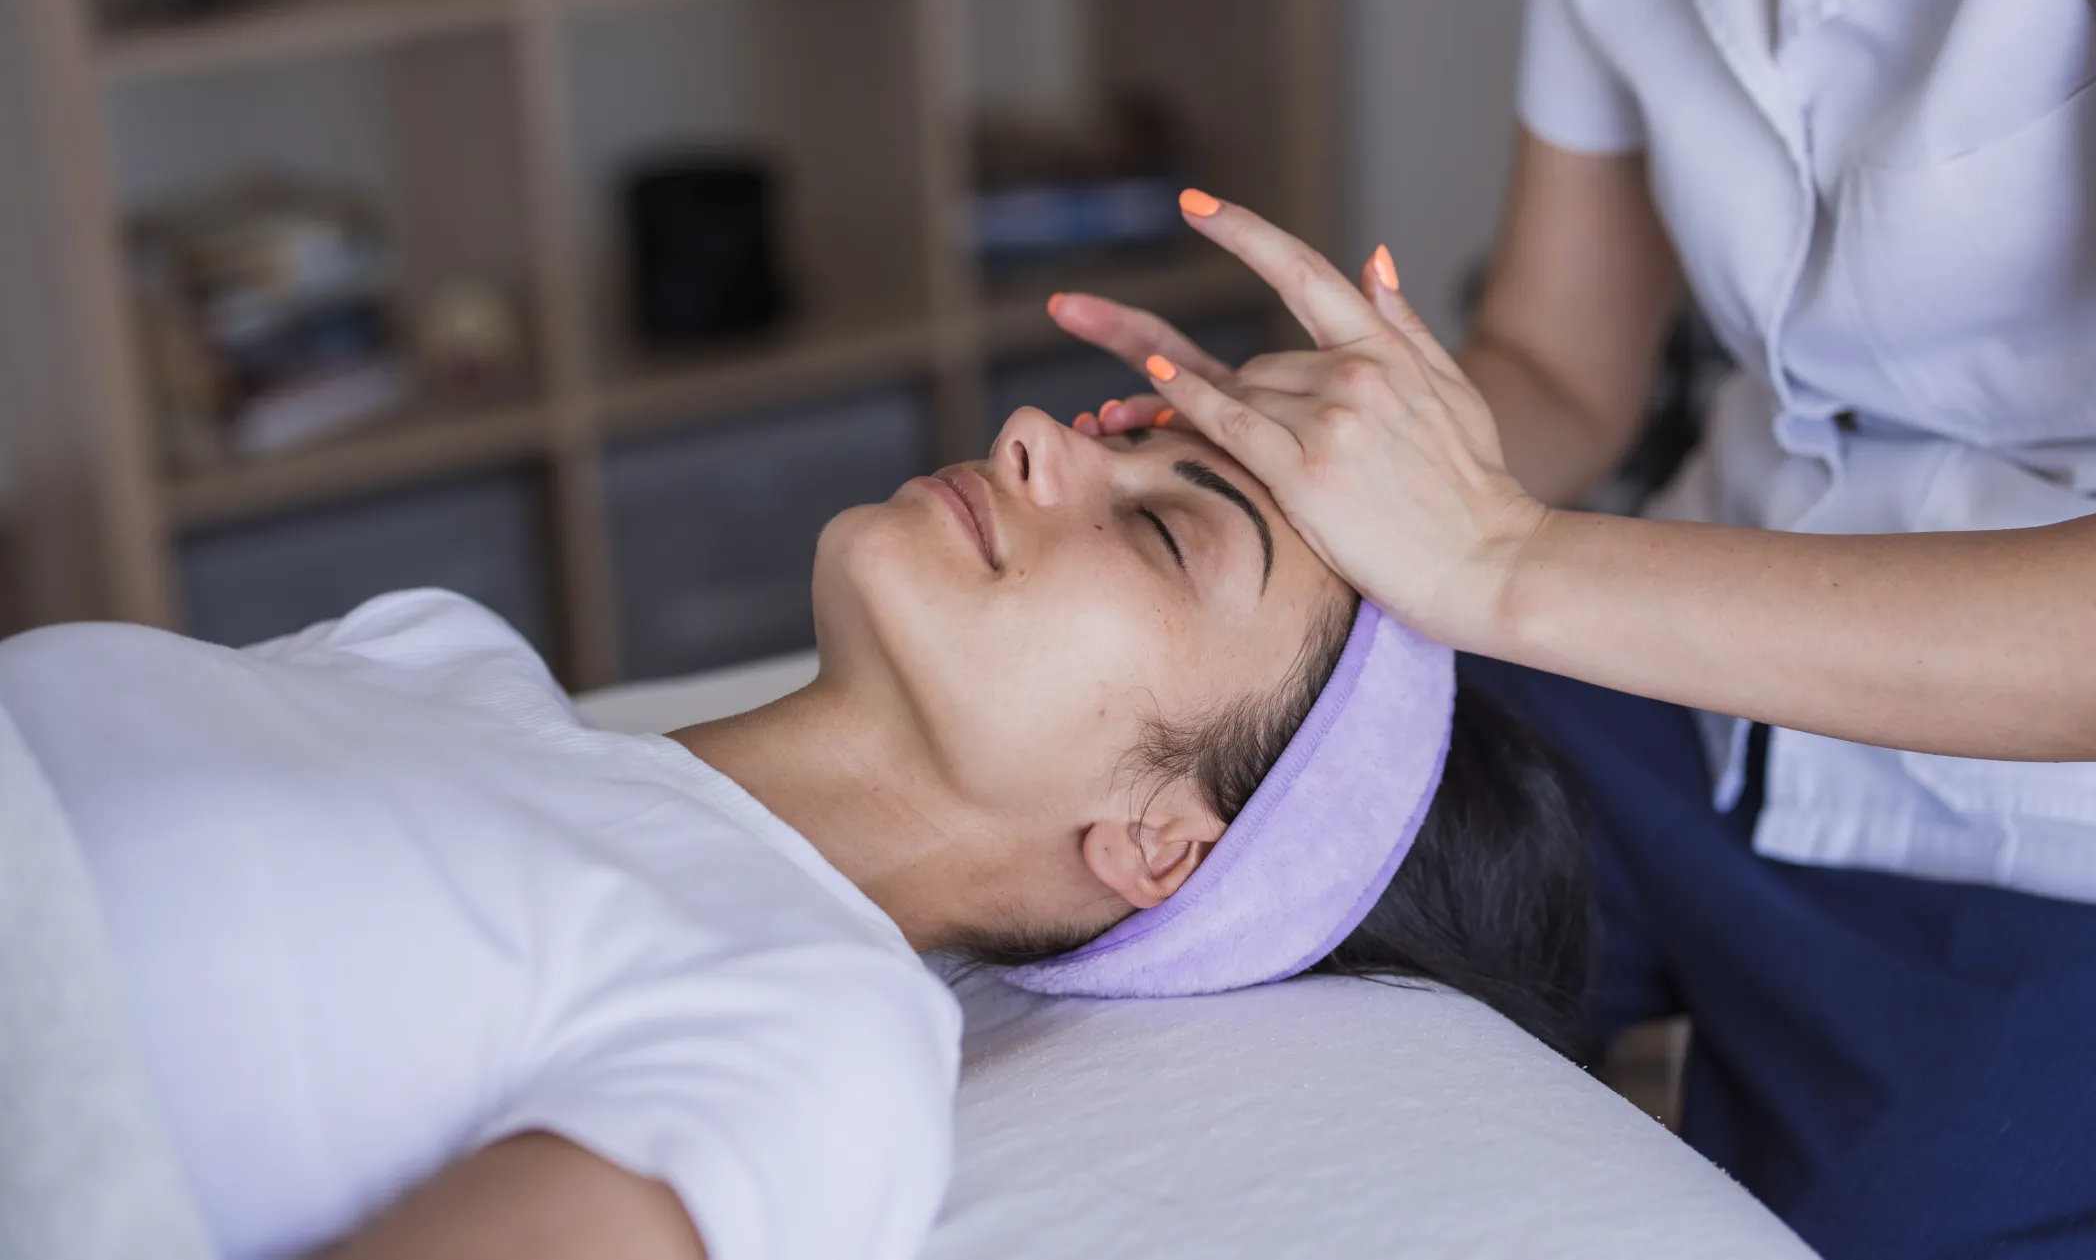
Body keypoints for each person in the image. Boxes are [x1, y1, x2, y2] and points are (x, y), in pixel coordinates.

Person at [1048, 0, 2096, 1253]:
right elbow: (1563, 367)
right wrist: (1286, 477)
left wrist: (1499, 562)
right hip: (1676, 685)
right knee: (1142, 975)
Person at [0, 407, 1592, 1260]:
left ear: (1163, 844)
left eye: (1161, 527)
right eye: (1124, 439)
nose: (1040, 436)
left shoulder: (807, 1034)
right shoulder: (442, 650)